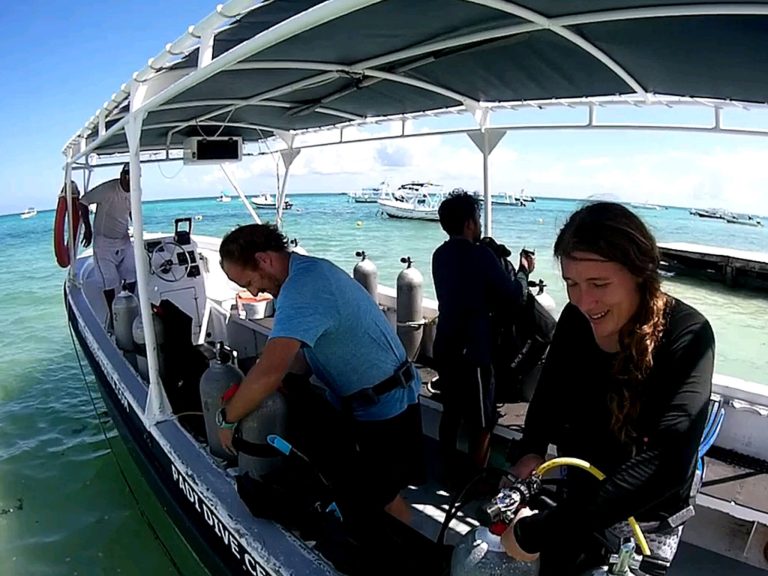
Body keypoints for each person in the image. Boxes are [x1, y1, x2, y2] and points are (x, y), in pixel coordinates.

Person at [501, 202, 715, 575]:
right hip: (577, 501)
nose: (584, 301)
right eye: (571, 283)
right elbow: (549, 396)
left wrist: (537, 532)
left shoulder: (687, 334)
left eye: (599, 284)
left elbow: (668, 464)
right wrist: (531, 449)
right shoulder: (575, 319)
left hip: (644, 523)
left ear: (640, 273)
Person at [216, 223, 423, 526]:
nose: (253, 292)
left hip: (385, 407)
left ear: (263, 259)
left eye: (250, 281)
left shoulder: (302, 289)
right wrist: (262, 379)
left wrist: (227, 418)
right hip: (372, 399)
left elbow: (270, 373)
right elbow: (299, 359)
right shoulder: (306, 271)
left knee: (384, 501)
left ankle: (404, 548)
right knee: (372, 493)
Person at [431, 192, 534, 484]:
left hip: (445, 344)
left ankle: (446, 470)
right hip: (473, 352)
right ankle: (474, 481)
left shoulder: (440, 255)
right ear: (469, 223)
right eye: (476, 219)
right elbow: (514, 295)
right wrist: (524, 271)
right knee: (482, 420)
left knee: (451, 412)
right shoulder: (480, 256)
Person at [78, 163, 135, 317]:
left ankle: (130, 308)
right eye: (128, 177)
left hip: (124, 239)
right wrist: (88, 229)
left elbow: (131, 210)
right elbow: (83, 201)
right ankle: (114, 315)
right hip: (104, 243)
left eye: (135, 177)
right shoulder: (108, 189)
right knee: (110, 281)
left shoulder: (136, 190)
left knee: (131, 274)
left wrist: (136, 226)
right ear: (122, 176)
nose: (131, 181)